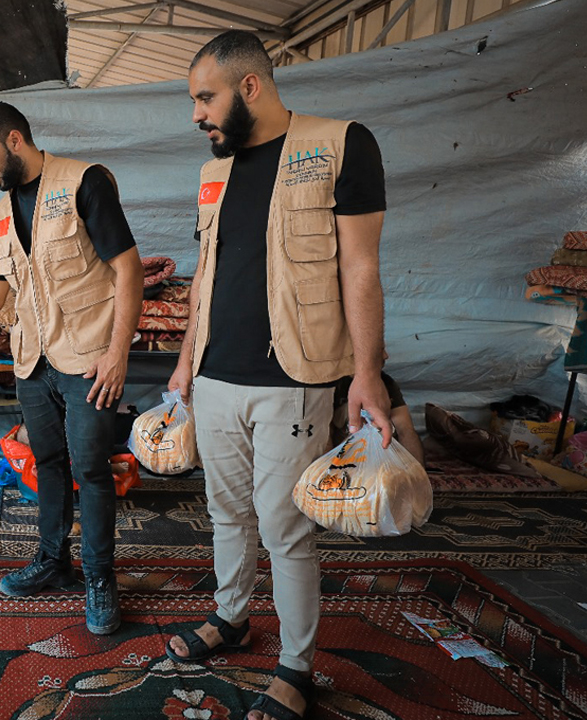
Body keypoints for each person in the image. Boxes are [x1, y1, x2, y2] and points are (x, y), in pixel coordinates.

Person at [165, 31, 393, 720]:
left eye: (206, 97)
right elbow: (204, 275)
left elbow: (360, 268)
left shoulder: (342, 143)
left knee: (283, 526)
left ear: (250, 87)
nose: (197, 114)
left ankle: (296, 664)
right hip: (214, 378)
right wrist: (183, 366)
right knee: (225, 512)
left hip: (292, 378)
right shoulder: (214, 171)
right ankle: (232, 617)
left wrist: (367, 374)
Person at [0, 101, 143, 635]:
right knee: (48, 462)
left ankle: (100, 578)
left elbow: (127, 267)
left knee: (91, 466)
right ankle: (52, 561)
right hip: (32, 360)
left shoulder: (84, 182)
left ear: (15, 140)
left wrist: (118, 352)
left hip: (88, 358)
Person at [332, 371, 424, 466]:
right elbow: (325, 434)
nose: (385, 356)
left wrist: (418, 472)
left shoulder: (384, 380)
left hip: (381, 447)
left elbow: (405, 429)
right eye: (379, 355)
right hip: (345, 447)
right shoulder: (334, 382)